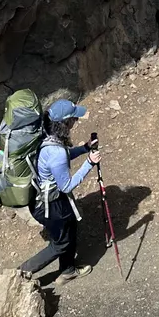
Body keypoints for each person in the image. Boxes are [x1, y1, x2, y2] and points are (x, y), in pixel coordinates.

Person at [20, 99, 100, 284]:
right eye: (74, 118)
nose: (76, 121)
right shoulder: (56, 151)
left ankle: (68, 270)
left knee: (70, 224)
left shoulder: (48, 139)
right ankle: (21, 272)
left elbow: (63, 156)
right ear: (65, 123)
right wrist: (89, 162)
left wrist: (84, 148)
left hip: (48, 200)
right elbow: (66, 186)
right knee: (60, 244)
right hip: (50, 205)